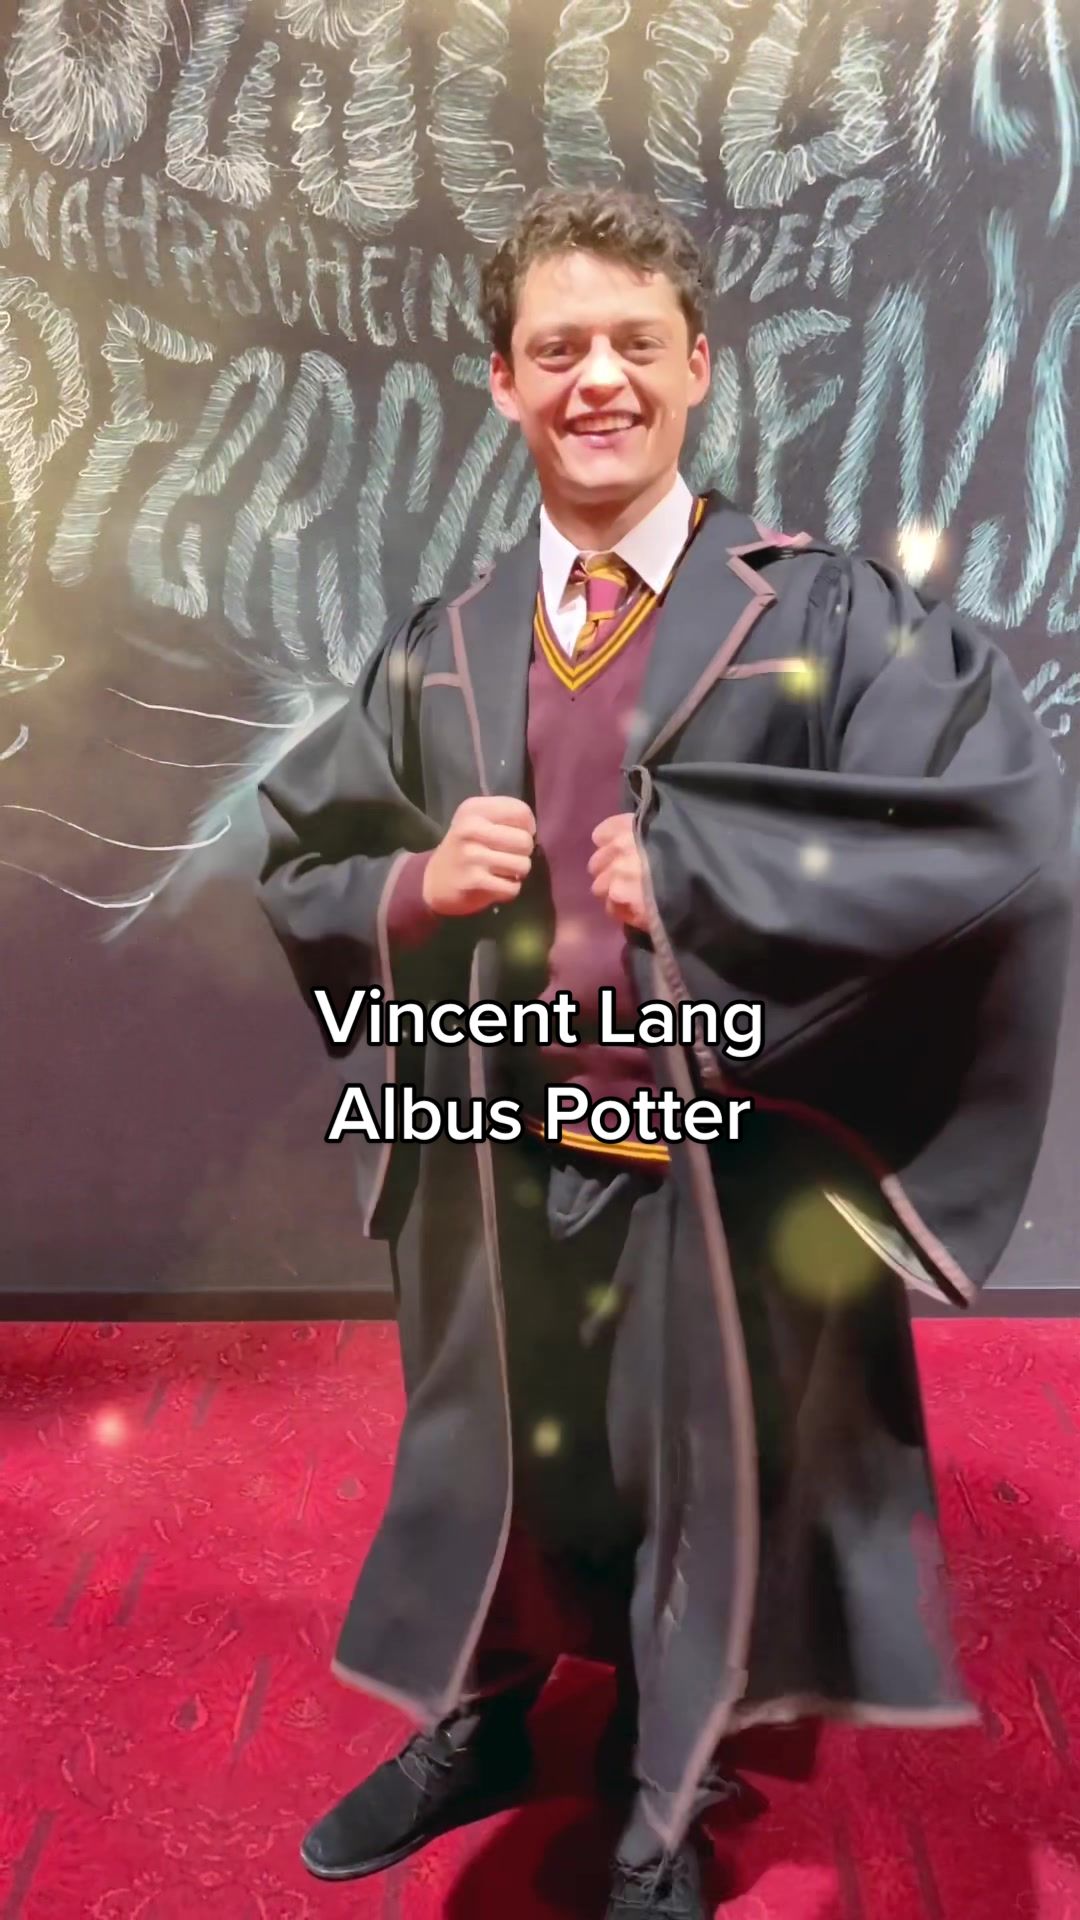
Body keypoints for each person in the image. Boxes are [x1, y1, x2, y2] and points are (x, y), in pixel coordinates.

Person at [255, 187, 1073, 1918]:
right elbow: (302, 855)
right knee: (493, 1464)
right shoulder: (443, 643)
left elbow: (998, 841)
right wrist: (410, 884)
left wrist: (718, 882)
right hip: (496, 1161)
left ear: (700, 365)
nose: (600, 380)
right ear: (503, 382)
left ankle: (663, 1812)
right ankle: (479, 1722)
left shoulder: (822, 615)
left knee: (710, 1497)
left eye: (636, 343)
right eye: (558, 348)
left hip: (713, 1167)